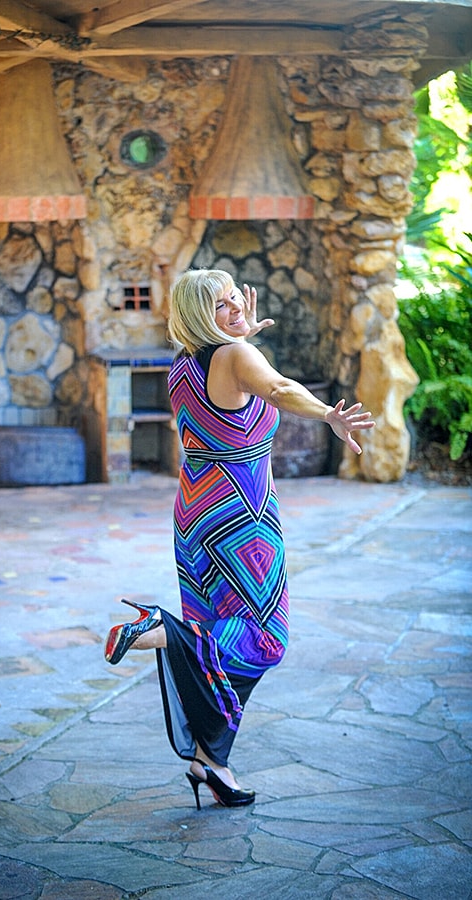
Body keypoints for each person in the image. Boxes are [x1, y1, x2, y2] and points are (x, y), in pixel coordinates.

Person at [104, 268, 375, 811]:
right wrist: (328, 414)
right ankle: (161, 631)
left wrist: (240, 337)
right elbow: (274, 387)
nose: (234, 309)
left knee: (220, 649)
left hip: (194, 516)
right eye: (221, 305)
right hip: (241, 522)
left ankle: (212, 761)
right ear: (199, 314)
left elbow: (228, 389)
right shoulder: (234, 357)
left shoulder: (184, 365)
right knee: (265, 640)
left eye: (235, 300)